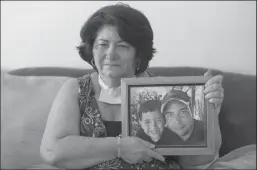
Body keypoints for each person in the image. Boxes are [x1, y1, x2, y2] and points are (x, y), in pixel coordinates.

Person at [40, 3, 224, 170]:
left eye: (122, 46)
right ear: (91, 49)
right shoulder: (75, 89)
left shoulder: (164, 91)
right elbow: (52, 152)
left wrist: (210, 112)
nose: (110, 55)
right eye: (102, 45)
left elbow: (197, 162)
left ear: (138, 54)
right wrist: (119, 147)